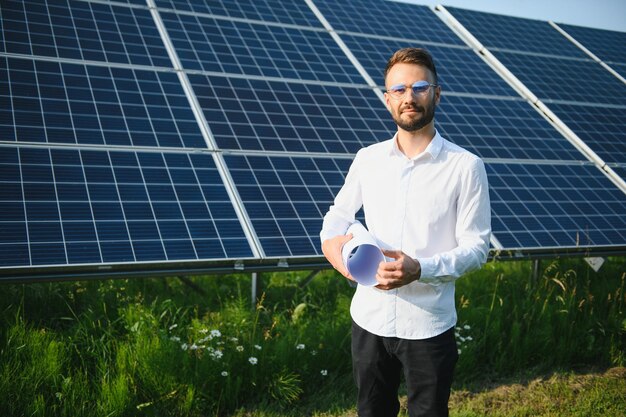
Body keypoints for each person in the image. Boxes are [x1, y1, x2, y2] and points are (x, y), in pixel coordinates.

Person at [320, 48, 491, 417]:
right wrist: (350, 268)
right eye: (398, 90)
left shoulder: (466, 167)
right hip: (369, 319)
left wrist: (421, 268)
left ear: (437, 93)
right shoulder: (368, 158)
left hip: (429, 326)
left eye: (419, 87)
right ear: (387, 99)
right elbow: (335, 220)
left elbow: (477, 248)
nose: (408, 97)